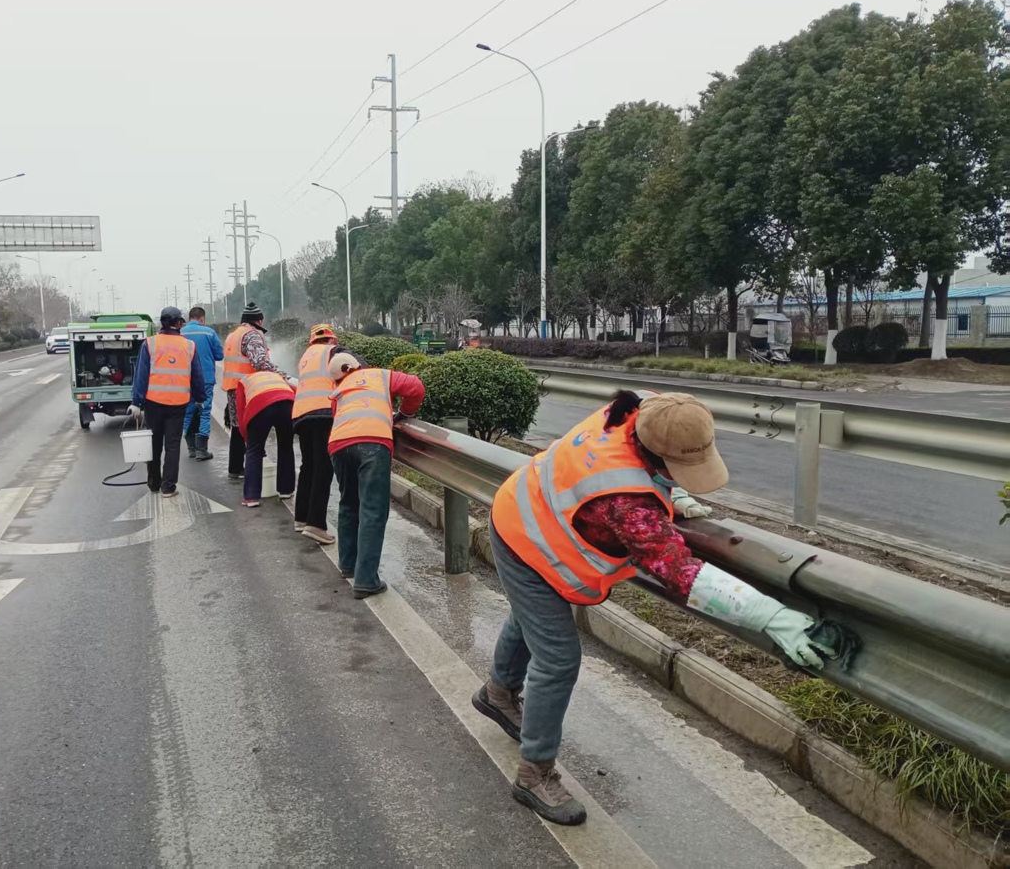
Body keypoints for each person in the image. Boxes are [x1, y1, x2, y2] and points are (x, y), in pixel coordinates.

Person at [471, 390, 836, 826]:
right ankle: (534, 773)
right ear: (652, 450)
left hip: (525, 508)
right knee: (558, 657)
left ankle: (497, 694)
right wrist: (771, 616)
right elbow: (680, 571)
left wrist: (667, 492)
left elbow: (632, 469)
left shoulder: (633, 411)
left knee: (531, 617)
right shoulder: (624, 501)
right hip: (525, 538)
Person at [327, 353, 426, 598]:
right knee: (373, 510)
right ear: (359, 365)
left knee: (349, 503)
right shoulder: (380, 375)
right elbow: (416, 387)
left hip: (338, 445)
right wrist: (404, 413)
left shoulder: (338, 390)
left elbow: (336, 417)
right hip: (372, 442)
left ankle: (348, 565)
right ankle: (366, 580)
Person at [128, 306, 207, 497]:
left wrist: (136, 402)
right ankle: (168, 487)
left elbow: (141, 376)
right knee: (172, 446)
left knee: (154, 444)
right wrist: (200, 399)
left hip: (153, 403)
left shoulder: (150, 344)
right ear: (178, 323)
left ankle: (154, 483)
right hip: (178, 404)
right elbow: (197, 376)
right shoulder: (189, 346)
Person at [221, 302, 287, 480]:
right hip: (249, 388)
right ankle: (257, 470)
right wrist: (283, 376)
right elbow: (260, 362)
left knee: (238, 427)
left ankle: (235, 468)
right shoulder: (252, 335)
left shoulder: (233, 335)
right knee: (253, 428)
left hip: (233, 387)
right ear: (259, 320)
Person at [292, 323, 344, 545]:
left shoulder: (306, 356)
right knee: (324, 467)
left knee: (309, 466)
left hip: (301, 413)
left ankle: (302, 518)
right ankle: (316, 524)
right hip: (324, 413)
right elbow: (357, 368)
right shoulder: (334, 352)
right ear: (332, 339)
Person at [236, 370, 297, 508]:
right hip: (287, 402)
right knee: (286, 445)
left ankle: (251, 497)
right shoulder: (277, 375)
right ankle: (286, 490)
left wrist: (247, 438)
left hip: (259, 405)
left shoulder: (244, 380)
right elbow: (294, 391)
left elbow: (241, 410)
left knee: (254, 450)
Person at [181, 306, 224, 461]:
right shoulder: (209, 332)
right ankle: (201, 450)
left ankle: (191, 448)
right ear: (202, 319)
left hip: (185, 379)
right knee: (205, 411)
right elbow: (219, 355)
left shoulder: (180, 334)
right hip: (205, 379)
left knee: (187, 411)